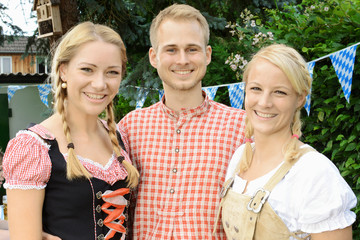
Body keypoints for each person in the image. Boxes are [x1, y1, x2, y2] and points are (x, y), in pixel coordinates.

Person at [118, 4, 246, 239]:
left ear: (207, 55)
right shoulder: (130, 128)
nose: (183, 59)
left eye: (192, 49)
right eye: (171, 50)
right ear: (154, 57)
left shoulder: (242, 127)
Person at [3, 21, 139, 240]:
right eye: (87, 69)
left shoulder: (118, 136)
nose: (99, 83)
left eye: (112, 72)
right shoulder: (33, 148)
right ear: (63, 70)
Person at [217, 44, 357, 240]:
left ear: (299, 98)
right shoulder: (240, 157)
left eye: (279, 92)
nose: (265, 102)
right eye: (256, 88)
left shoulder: (314, 172)